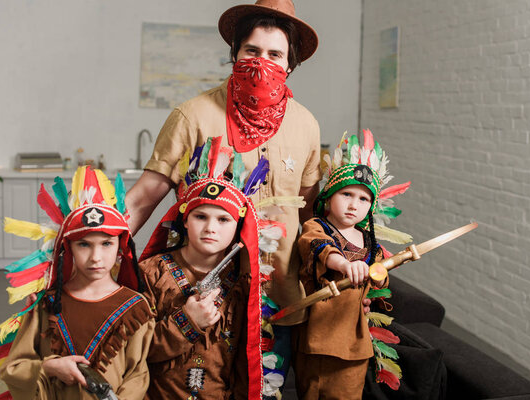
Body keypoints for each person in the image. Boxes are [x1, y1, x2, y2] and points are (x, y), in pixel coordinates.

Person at [126, 0, 321, 327]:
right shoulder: (193, 116)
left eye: (275, 55)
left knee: (273, 379)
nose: (262, 63)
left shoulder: (306, 124)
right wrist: (85, 255)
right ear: (234, 53)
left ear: (290, 65)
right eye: (251, 51)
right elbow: (141, 200)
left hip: (280, 297)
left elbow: (311, 214)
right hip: (204, 297)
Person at [138, 139, 290, 399]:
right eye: (201, 217)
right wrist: (186, 322)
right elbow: (134, 352)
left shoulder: (245, 286)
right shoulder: (152, 272)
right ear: (185, 220)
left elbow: (246, 364)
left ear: (238, 227)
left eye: (223, 219)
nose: (211, 228)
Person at [0, 166, 154, 400]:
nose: (95, 257)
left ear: (121, 247)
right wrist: (49, 368)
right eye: (83, 244)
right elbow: (14, 369)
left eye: (106, 244)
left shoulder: (136, 307)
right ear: (67, 248)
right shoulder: (46, 304)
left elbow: (138, 375)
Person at [293, 130, 410, 399]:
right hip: (320, 336)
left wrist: (381, 272)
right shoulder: (316, 226)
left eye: (363, 199)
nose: (353, 205)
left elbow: (380, 277)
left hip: (357, 338)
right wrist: (344, 265)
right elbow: (319, 249)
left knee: (349, 394)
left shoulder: (369, 240)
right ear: (329, 196)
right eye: (346, 194)